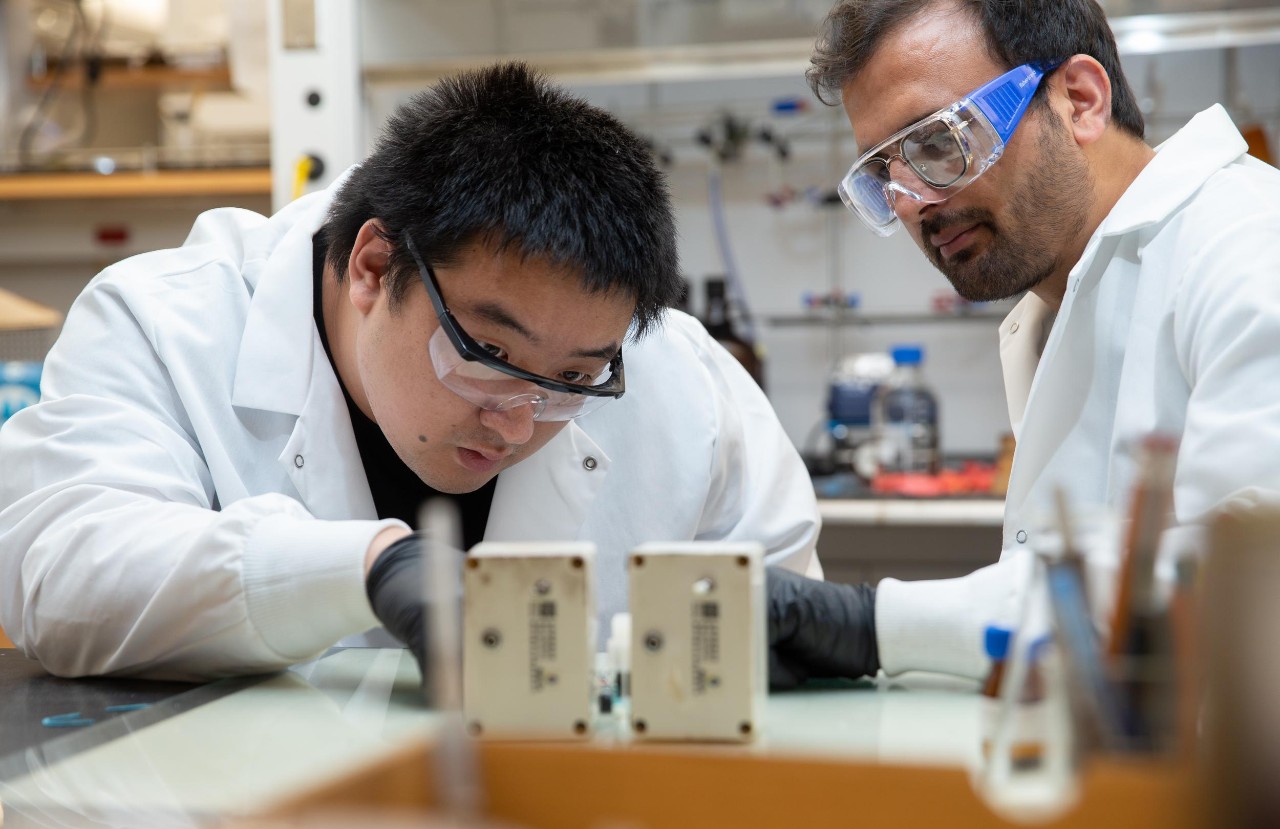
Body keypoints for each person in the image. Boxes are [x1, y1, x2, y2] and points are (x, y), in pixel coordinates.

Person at [0, 63, 827, 681]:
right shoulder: (166, 323)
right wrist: (366, 569)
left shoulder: (680, 379)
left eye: (571, 380)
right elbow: (59, 578)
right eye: (488, 356)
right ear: (372, 264)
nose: (515, 420)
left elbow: (787, 637)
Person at [788, 0, 1280, 680]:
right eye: (885, 172)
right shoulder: (1057, 303)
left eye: (938, 141)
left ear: (1079, 100)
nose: (913, 202)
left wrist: (872, 624)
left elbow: (1238, 589)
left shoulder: (1249, 248)